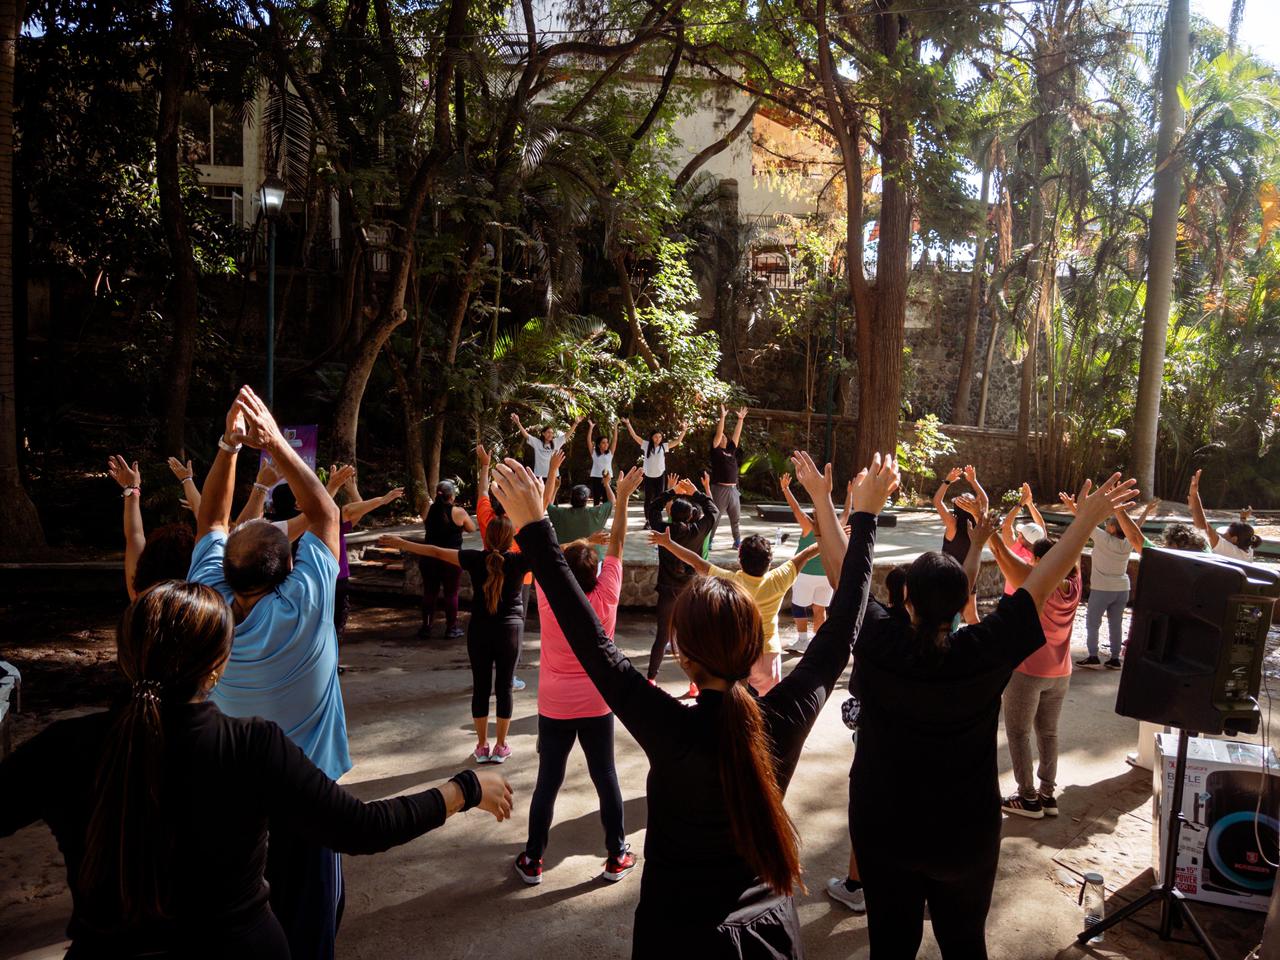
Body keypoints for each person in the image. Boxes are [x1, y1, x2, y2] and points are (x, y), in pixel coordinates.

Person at [488, 448, 894, 958]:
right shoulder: (784, 717)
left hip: (675, 933)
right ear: (753, 648)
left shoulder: (669, 726)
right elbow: (845, 621)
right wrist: (864, 516)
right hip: (768, 933)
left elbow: (591, 642)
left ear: (681, 651)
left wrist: (535, 525)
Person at [0, 580, 514, 958]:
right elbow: (361, 828)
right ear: (217, 668)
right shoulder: (250, 745)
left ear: (124, 658)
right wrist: (463, 788)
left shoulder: (61, 747)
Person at [848, 466, 1138, 960]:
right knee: (965, 946)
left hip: (885, 831)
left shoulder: (879, 642)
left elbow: (846, 579)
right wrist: (1084, 522)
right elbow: (1040, 586)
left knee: (889, 949)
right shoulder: (984, 652)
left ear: (906, 601)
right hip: (965, 835)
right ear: (964, 603)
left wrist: (863, 513)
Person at [187, 386, 352, 960]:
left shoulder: (209, 604)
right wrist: (275, 442)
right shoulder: (306, 602)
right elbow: (325, 512)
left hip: (234, 799)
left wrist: (231, 447)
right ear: (290, 569)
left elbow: (210, 518)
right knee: (312, 930)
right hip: (310, 802)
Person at [515, 466, 647, 886]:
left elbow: (544, 547)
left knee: (547, 783)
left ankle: (533, 859)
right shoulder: (606, 593)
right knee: (605, 775)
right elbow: (620, 542)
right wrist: (622, 498)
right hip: (597, 700)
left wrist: (540, 499)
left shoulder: (552, 596)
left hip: (554, 703)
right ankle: (616, 855)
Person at [380, 515, 530, 765]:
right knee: (504, 688)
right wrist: (586, 540)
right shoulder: (519, 561)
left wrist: (403, 542)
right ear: (509, 539)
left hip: (479, 630)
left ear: (487, 537)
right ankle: (501, 746)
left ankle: (482, 747)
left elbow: (436, 551)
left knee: (481, 687)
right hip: (510, 632)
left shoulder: (474, 558)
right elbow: (555, 551)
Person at [649, 530, 821, 696]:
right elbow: (806, 554)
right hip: (769, 654)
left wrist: (668, 543)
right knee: (768, 705)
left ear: (740, 559)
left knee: (737, 705)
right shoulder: (779, 579)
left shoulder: (731, 582)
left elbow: (697, 562)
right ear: (769, 562)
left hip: (738, 653)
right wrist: (830, 536)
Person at [990, 528, 1083, 819]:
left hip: (1028, 670)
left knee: (1018, 733)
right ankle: (1047, 794)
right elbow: (1074, 552)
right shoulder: (1075, 583)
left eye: (1033, 558)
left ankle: (1027, 798)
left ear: (1041, 560)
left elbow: (1003, 557)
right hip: (1060, 673)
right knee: (1049, 732)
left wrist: (988, 531)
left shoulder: (1039, 587)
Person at [645, 477, 718, 696]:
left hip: (668, 590)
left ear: (672, 514)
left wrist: (672, 491)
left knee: (662, 636)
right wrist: (696, 492)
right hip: (690, 592)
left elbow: (652, 508)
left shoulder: (663, 532)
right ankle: (695, 684)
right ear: (690, 516)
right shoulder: (697, 531)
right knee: (689, 639)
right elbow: (713, 511)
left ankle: (651, 679)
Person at [1059, 490, 1147, 670]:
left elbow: (1085, 521)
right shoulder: (1128, 543)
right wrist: (1145, 513)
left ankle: (1093, 655)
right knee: (1116, 624)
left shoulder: (1103, 539)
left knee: (1093, 623)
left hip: (1102, 589)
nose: (1106, 525)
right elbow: (1135, 529)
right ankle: (1115, 658)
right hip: (1122, 589)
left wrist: (1071, 507)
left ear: (1113, 528)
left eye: (1108, 523)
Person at [476, 444, 532, 692]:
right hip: (520, 579)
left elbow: (481, 493)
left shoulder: (487, 517)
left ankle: (486, 677)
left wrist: (485, 466)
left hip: (487, 573)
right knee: (514, 628)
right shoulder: (519, 522)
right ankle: (508, 678)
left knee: (487, 624)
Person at [326, 464, 404, 640]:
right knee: (333, 625)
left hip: (334, 579)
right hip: (333, 580)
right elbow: (348, 511)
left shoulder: (312, 520)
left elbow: (355, 513)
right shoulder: (323, 521)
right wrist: (383, 500)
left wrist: (352, 491)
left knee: (332, 624)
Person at [779, 472, 853, 654]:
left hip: (805, 574)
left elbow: (795, 508)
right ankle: (818, 642)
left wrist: (786, 489)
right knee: (820, 608)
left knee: (798, 606)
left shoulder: (808, 525)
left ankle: (803, 640)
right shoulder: (836, 525)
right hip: (826, 575)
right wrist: (850, 494)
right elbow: (845, 512)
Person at [108, 454, 198, 602]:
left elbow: (134, 535)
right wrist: (188, 482)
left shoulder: (141, 597)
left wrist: (132, 489)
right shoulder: (205, 599)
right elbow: (214, 527)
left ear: (148, 557)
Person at [418, 479, 477, 640]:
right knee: (451, 594)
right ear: (452, 495)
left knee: (430, 593)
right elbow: (472, 528)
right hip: (451, 559)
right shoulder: (459, 512)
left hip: (429, 557)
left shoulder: (428, 509)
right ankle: (451, 628)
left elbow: (428, 524)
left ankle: (426, 627)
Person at [932, 464, 988, 624]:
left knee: (944, 617)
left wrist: (947, 481)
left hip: (948, 576)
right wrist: (974, 481)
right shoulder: (979, 525)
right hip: (969, 577)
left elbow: (937, 501)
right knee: (971, 617)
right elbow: (985, 500)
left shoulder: (952, 524)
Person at [543, 448, 615, 557]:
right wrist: (606, 484)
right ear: (587, 499)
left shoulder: (561, 514)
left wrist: (555, 487)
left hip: (566, 561)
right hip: (593, 562)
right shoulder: (596, 513)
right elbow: (612, 501)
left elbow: (547, 503)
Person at [1188, 468, 1262, 560]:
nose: (1221, 535)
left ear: (1234, 539)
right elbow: (1244, 534)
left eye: (1225, 534)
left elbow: (1204, 529)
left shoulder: (1230, 551)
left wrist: (1195, 495)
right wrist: (1243, 518)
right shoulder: (1248, 548)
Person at [623, 417, 687, 521]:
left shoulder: (663, 446)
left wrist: (684, 430)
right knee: (648, 499)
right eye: (656, 437)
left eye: (660, 437)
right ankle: (648, 520)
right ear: (652, 437)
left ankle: (657, 518)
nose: (658, 439)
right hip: (648, 475)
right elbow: (634, 436)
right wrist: (628, 423)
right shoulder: (646, 445)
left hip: (660, 476)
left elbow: (678, 441)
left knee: (659, 498)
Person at [708, 404, 747, 548]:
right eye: (722, 436)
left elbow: (736, 436)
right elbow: (719, 433)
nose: (724, 437)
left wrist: (740, 419)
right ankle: (709, 541)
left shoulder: (730, 451)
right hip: (720, 489)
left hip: (733, 490)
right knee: (715, 517)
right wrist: (722, 417)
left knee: (735, 518)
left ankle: (737, 542)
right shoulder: (716, 451)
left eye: (725, 436)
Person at [999, 482, 1046, 595]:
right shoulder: (1043, 552)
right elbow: (1041, 526)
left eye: (1020, 534)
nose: (1018, 534)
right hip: (1033, 598)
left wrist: (1021, 503)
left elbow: (1006, 525)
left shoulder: (1017, 551)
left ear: (1024, 540)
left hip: (1012, 598)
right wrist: (1030, 504)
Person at [511, 412, 582, 480]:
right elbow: (526, 435)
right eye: (548, 432)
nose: (550, 434)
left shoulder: (556, 442)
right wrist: (518, 422)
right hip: (539, 476)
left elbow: (567, 435)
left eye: (552, 433)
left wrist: (575, 423)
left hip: (553, 476)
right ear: (543, 433)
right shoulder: (537, 442)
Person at [587, 420, 619, 505]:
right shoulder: (594, 453)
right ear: (598, 444)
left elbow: (615, 440)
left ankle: (604, 517)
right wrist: (591, 427)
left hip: (607, 478)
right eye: (603, 443)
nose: (606, 444)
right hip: (596, 477)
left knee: (606, 500)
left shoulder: (610, 453)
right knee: (596, 500)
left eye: (607, 443)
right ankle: (595, 517)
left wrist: (615, 427)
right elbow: (588, 440)